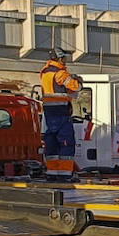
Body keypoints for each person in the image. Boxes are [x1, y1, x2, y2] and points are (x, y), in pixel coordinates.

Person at [39, 51, 82, 181]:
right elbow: (76, 87)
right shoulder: (60, 73)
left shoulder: (44, 72)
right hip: (61, 112)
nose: (66, 60)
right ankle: (64, 173)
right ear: (60, 58)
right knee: (66, 142)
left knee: (51, 143)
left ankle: (52, 172)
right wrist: (78, 80)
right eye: (64, 58)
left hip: (48, 111)